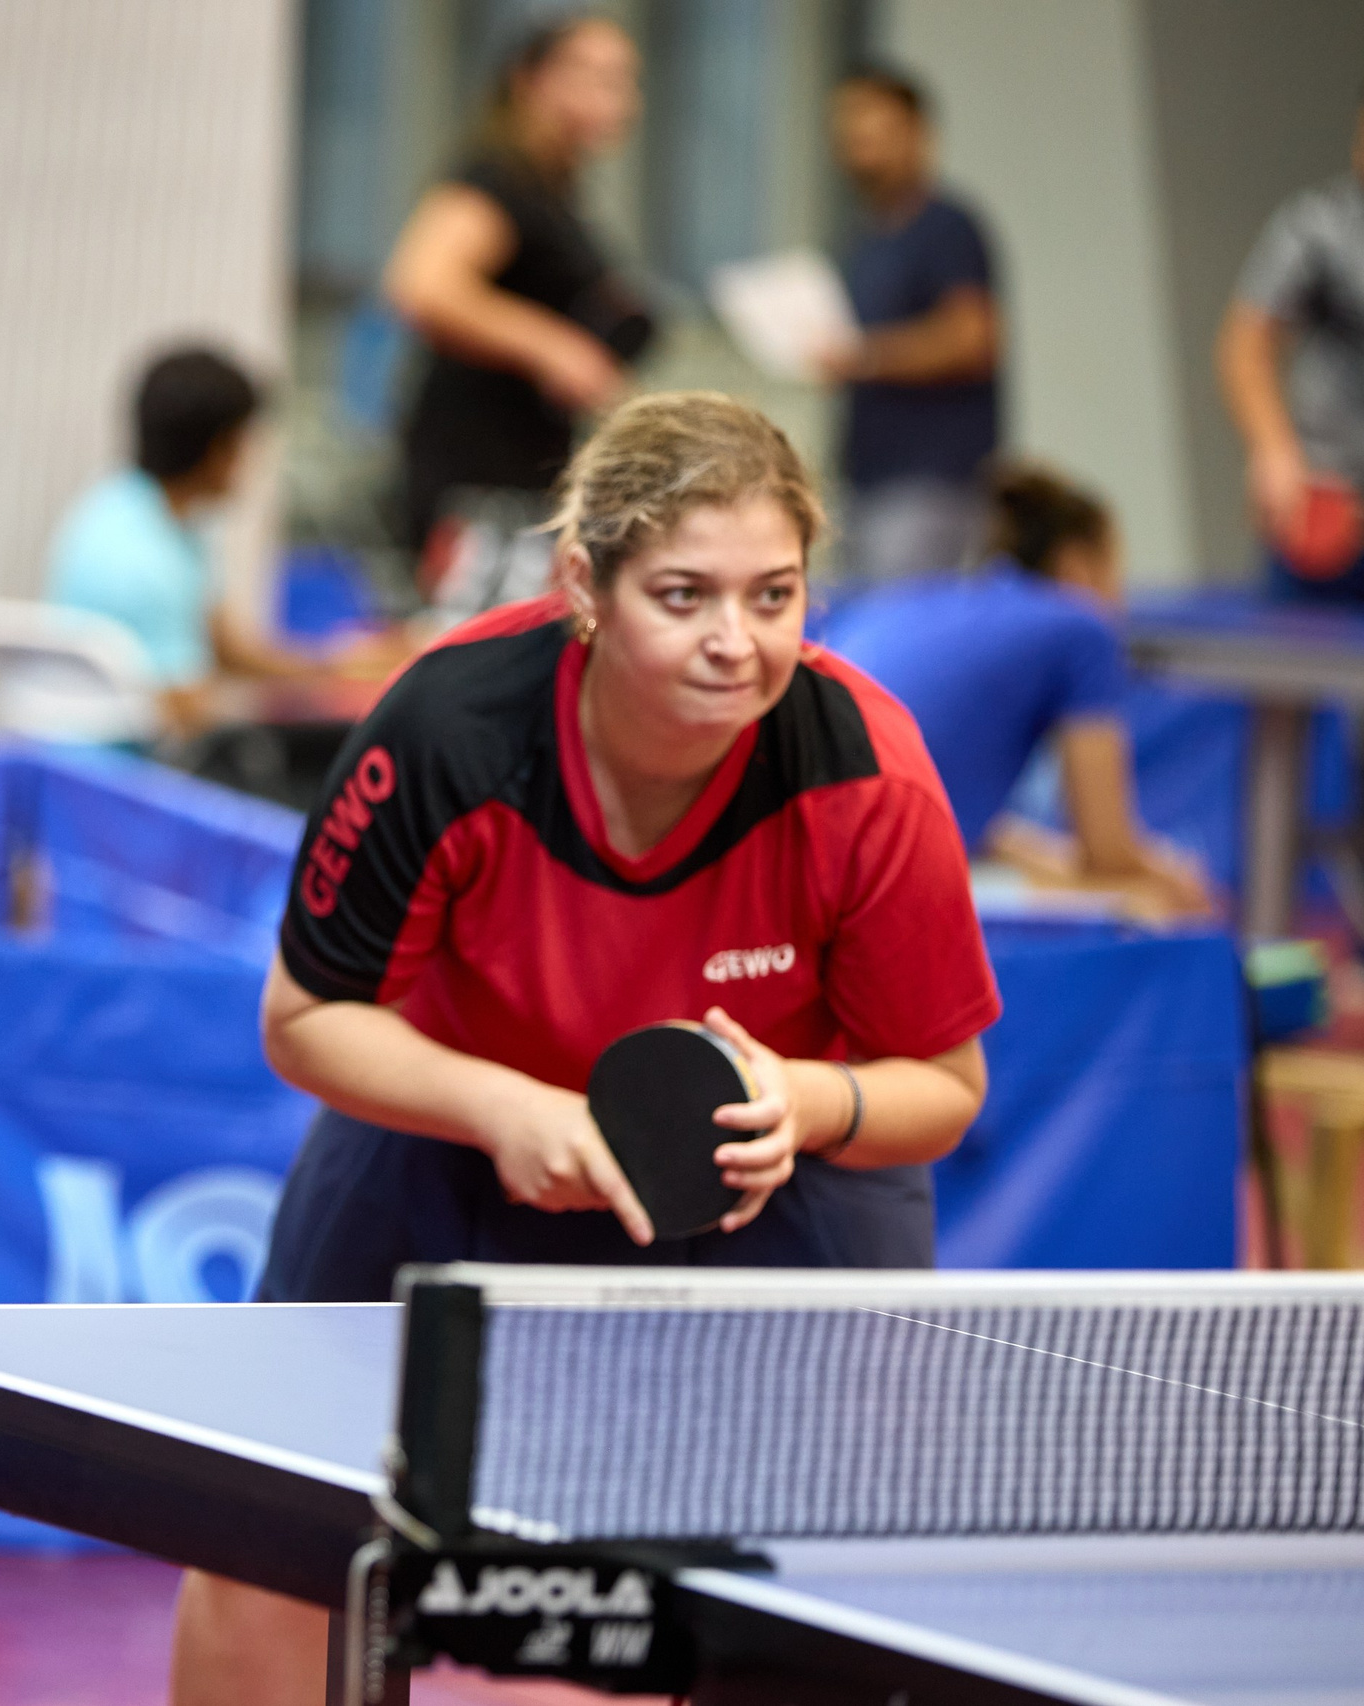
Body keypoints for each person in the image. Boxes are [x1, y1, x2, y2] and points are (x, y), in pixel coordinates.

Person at [168, 392, 997, 1702]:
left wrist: (810, 1099)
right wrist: (502, 1108)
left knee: (805, 1590)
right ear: (584, 587)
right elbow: (304, 1016)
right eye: (685, 594)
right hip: (447, 1123)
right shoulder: (450, 731)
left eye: (776, 595)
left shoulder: (864, 773)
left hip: (772, 1167)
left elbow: (944, 1089)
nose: (738, 641)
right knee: (265, 1523)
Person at [825, 462, 1213, 921]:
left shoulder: (918, 601)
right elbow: (1106, 852)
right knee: (1154, 909)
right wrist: (1172, 879)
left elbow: (965, 826)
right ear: (1076, 565)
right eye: (1114, 573)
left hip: (801, 848)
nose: (1120, 599)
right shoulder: (1081, 627)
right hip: (864, 877)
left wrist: (1060, 864)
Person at [384, 14, 654, 615]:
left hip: (522, 484)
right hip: (475, 492)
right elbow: (421, 284)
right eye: (599, 76)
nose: (621, 98)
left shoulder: (555, 191)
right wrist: (555, 347)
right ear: (531, 81)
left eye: (626, 80)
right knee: (479, 667)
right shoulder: (496, 178)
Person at [44, 347, 362, 734]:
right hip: (131, 765)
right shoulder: (145, 560)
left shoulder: (122, 506)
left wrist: (334, 669)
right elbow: (188, 716)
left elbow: (227, 649)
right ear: (218, 450)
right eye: (246, 442)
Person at [824, 66, 1003, 583]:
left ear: (918, 134)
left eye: (876, 127)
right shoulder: (866, 239)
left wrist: (865, 357)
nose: (861, 141)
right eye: (850, 130)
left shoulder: (947, 227)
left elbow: (971, 337)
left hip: (932, 482)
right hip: (865, 477)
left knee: (897, 638)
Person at [1217, 90, 1364, 598]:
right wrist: (1273, 452)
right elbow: (1247, 340)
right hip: (1325, 501)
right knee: (1291, 668)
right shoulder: (1317, 226)